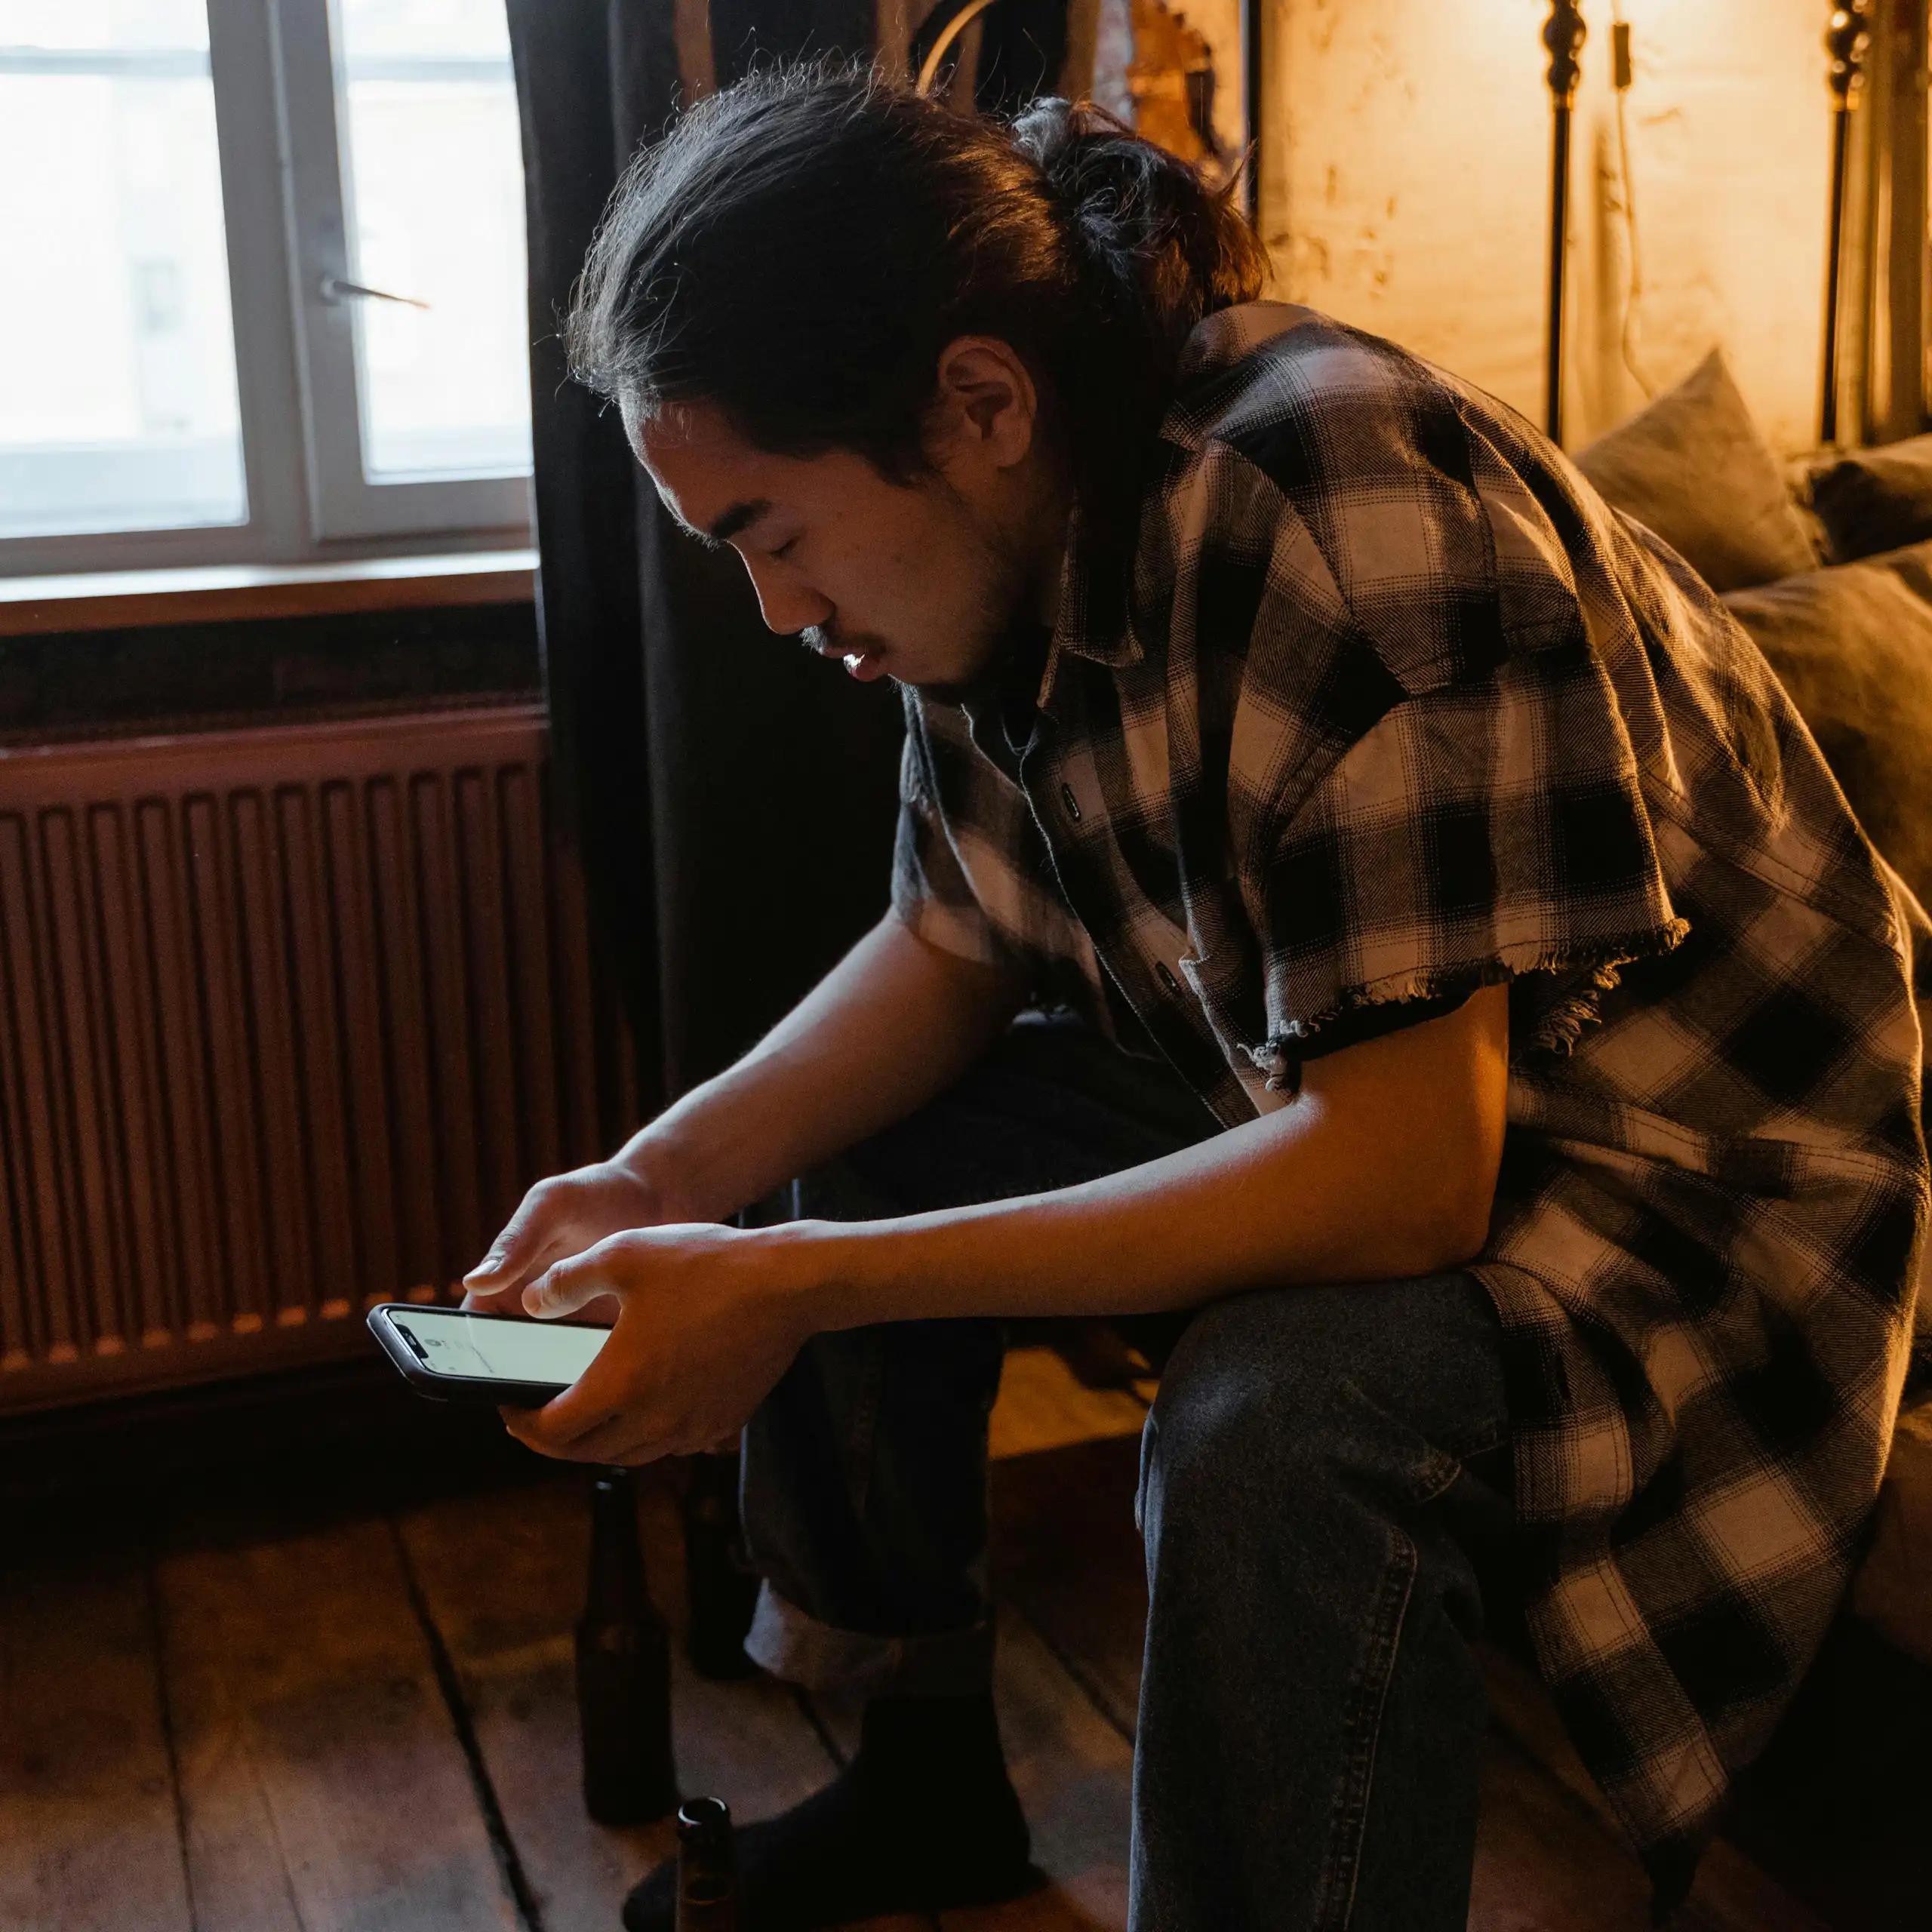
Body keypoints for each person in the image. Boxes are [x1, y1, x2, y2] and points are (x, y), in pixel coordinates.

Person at [462, 62, 1928, 1932]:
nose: (774, 611)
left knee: (1268, 1412)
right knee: (848, 1162)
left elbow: (1406, 1183)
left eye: (772, 532)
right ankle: (924, 1784)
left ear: (975, 400)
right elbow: (952, 937)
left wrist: (789, 1290)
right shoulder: (998, 523)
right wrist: (654, 1183)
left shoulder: (1327, 491)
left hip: (1678, 1175)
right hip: (1335, 1079)